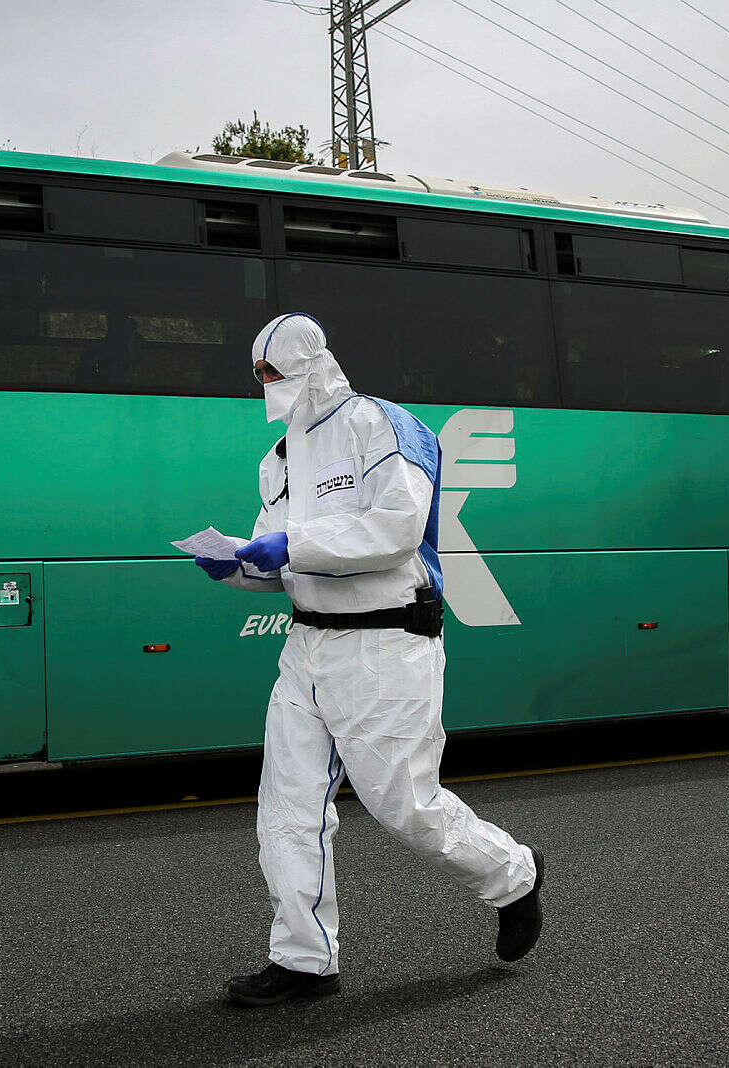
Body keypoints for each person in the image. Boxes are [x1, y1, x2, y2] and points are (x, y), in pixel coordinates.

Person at [195, 312, 545, 1008]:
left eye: (275, 372)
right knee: (286, 809)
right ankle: (303, 960)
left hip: (387, 643)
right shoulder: (279, 458)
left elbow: (395, 529)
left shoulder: (383, 425)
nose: (266, 385)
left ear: (312, 361)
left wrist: (292, 545)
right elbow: (278, 558)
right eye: (258, 376)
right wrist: (235, 566)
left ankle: (515, 874)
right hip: (307, 646)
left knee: (404, 805)